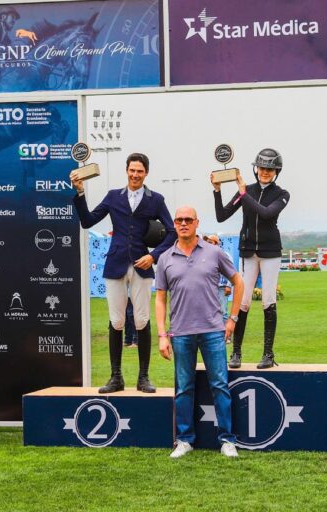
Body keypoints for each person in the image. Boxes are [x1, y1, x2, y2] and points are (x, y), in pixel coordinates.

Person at [70, 153, 176, 394]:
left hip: (142, 265)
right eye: (132, 170)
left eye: (140, 171)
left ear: (146, 173)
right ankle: (115, 377)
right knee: (116, 321)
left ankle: (143, 378)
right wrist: (80, 192)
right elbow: (87, 221)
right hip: (115, 263)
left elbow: (171, 232)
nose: (135, 175)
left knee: (142, 320)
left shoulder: (156, 200)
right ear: (126, 171)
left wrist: (154, 256)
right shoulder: (112, 196)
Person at [155, 206, 244, 459]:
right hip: (181, 333)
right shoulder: (165, 258)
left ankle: (227, 440)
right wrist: (162, 335)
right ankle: (184, 440)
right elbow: (160, 298)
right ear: (174, 224)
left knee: (220, 386)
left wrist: (233, 318)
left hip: (213, 330)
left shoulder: (214, 252)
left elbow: (238, 281)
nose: (183, 223)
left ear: (196, 223)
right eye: (179, 220)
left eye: (188, 219)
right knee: (183, 388)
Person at [212, 148, 290, 369]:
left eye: (270, 169)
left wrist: (244, 194)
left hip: (270, 252)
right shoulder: (247, 190)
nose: (265, 172)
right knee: (243, 301)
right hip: (248, 251)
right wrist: (217, 191)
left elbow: (266, 213)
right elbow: (221, 216)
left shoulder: (282, 194)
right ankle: (236, 352)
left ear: (276, 172)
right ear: (257, 169)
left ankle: (268, 354)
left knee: (268, 299)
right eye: (262, 168)